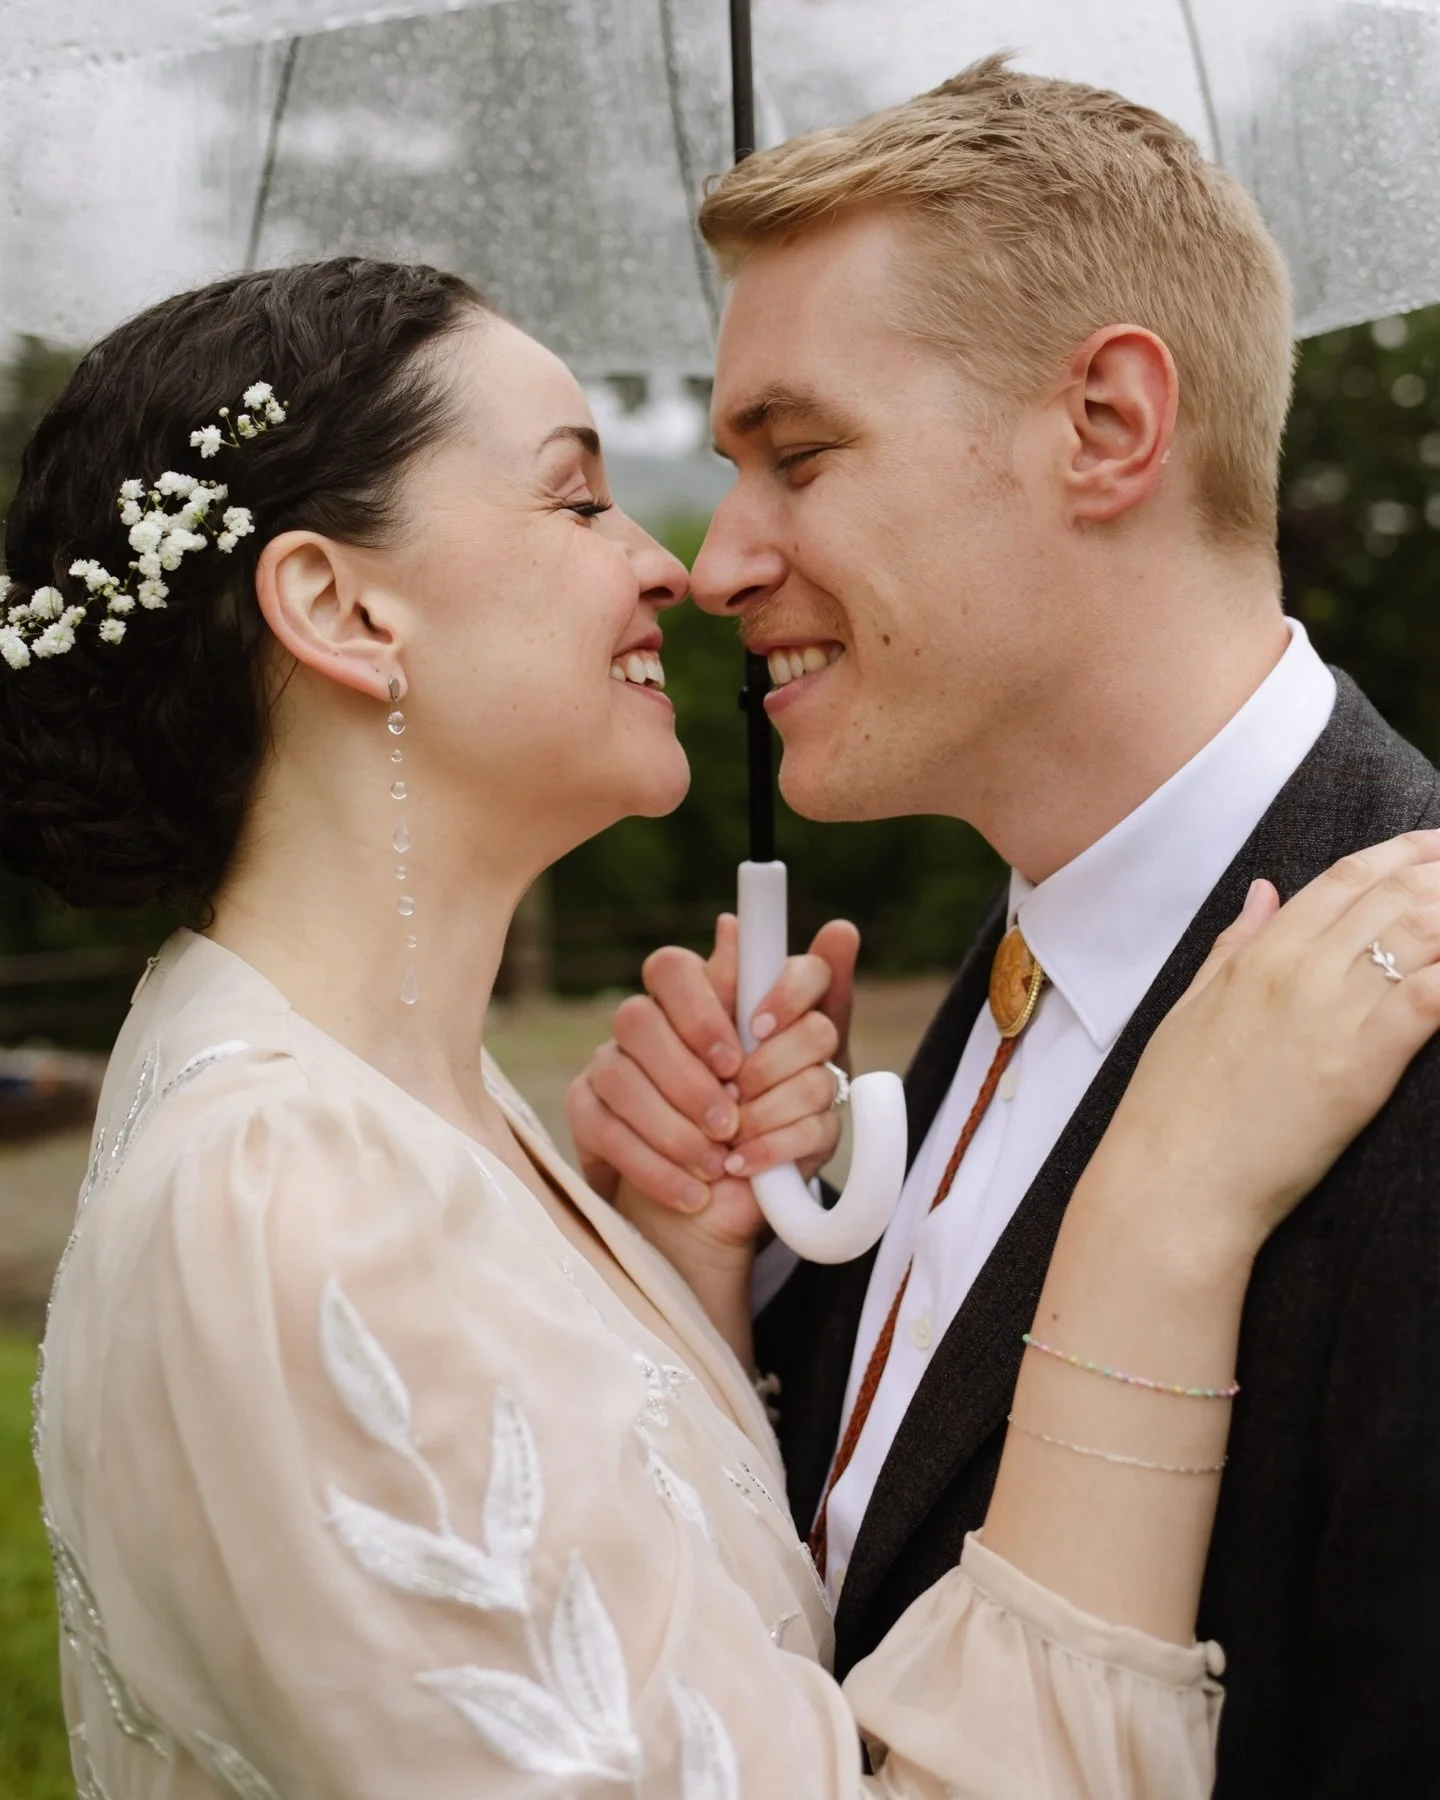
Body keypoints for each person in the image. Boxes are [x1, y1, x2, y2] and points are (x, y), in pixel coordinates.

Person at [4, 259, 1438, 1800]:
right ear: (341, 607)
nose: (678, 563)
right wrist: (1154, 1214)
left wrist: (682, 1298)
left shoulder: (401, 1104)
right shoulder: (280, 1195)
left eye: (800, 459)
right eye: (574, 503)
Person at [565, 59, 1440, 1799]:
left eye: (798, 456)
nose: (721, 563)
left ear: (1107, 425)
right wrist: (725, 1292)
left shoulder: (1412, 1026)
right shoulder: (1028, 949)